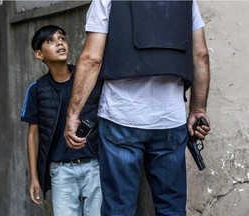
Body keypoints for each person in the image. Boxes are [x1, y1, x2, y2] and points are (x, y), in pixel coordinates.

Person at [64, 0, 211, 216]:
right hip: (170, 120)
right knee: (172, 207)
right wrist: (198, 110)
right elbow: (201, 56)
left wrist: (73, 113)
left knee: (119, 208)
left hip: (120, 117)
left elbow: (91, 59)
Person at [20, 25, 102, 216]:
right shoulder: (37, 89)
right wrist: (34, 177)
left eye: (62, 38)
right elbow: (33, 135)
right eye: (50, 41)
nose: (59, 43)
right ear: (39, 55)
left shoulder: (87, 79)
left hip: (94, 167)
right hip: (61, 171)